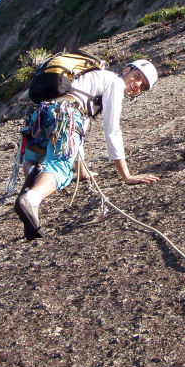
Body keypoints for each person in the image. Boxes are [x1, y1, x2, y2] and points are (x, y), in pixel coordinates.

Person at [14, 59, 159, 240]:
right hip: (67, 114)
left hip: (42, 114)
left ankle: (31, 212)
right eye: (137, 77)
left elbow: (79, 134)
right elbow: (112, 130)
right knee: (61, 170)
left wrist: (83, 171)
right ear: (127, 69)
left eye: (143, 86)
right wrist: (126, 176)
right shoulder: (115, 82)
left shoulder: (94, 79)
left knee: (36, 163)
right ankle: (31, 200)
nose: (137, 85)